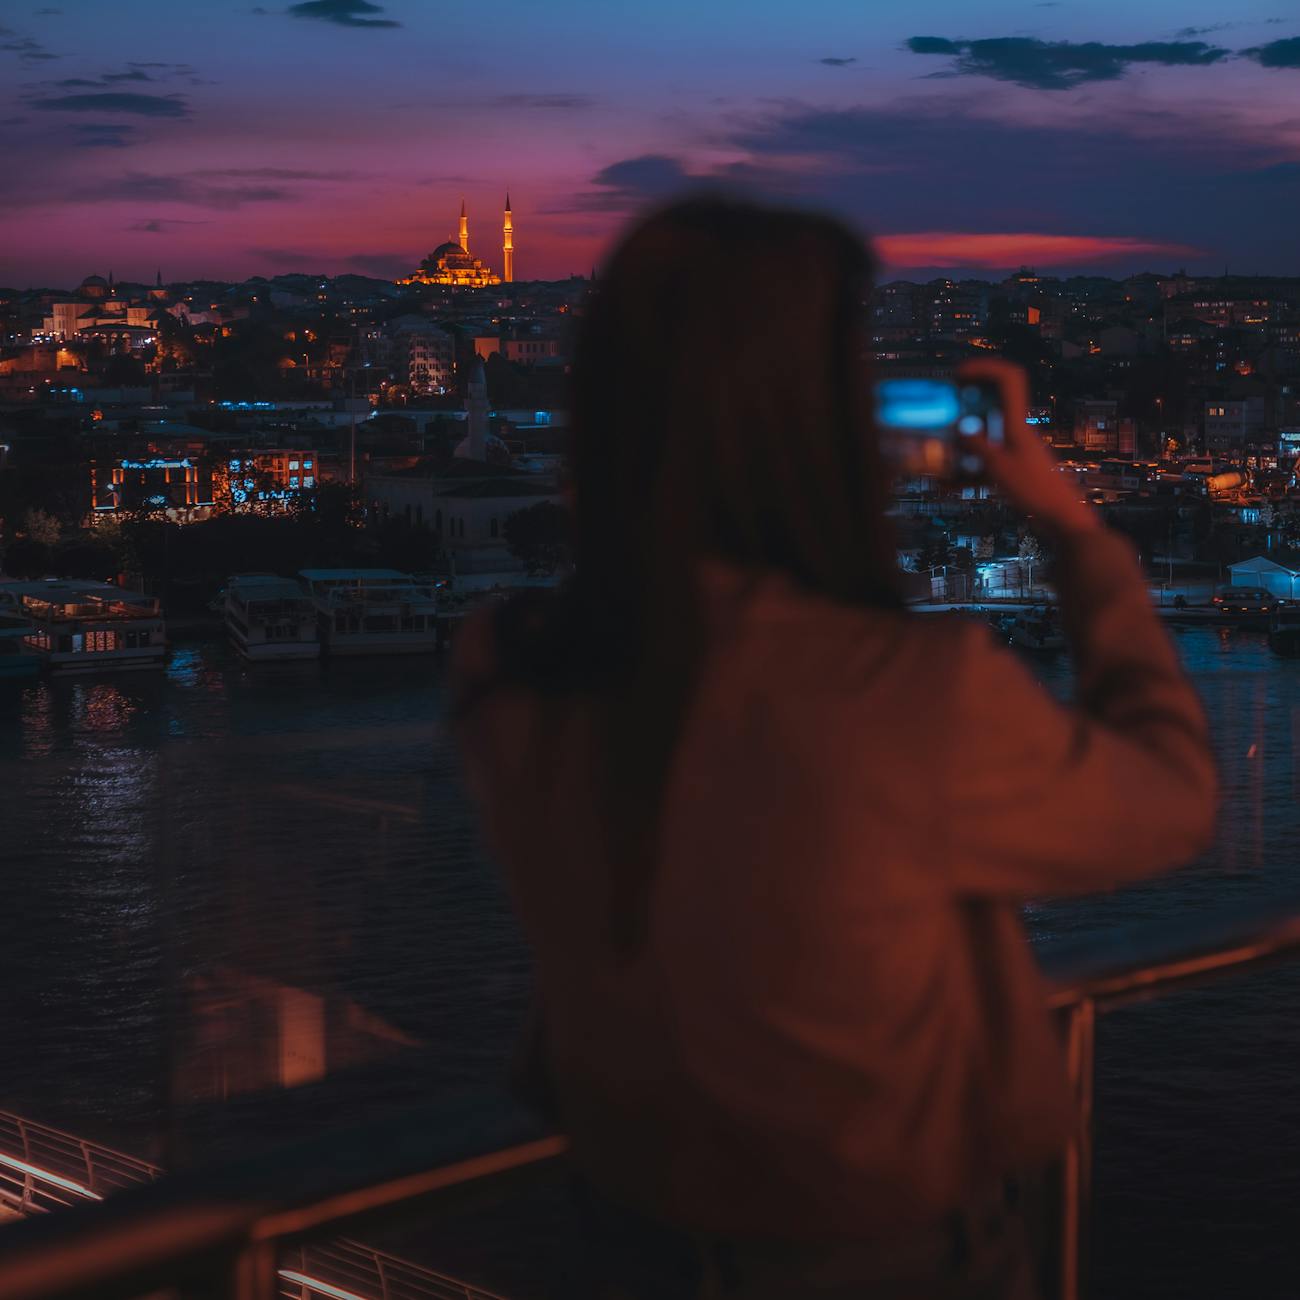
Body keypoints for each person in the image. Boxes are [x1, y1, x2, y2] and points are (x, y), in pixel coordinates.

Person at [451, 198, 1217, 1298]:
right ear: (821, 419)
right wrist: (1074, 531)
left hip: (625, 1234)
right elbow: (1174, 795)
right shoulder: (895, 691)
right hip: (884, 1252)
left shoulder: (508, 667)